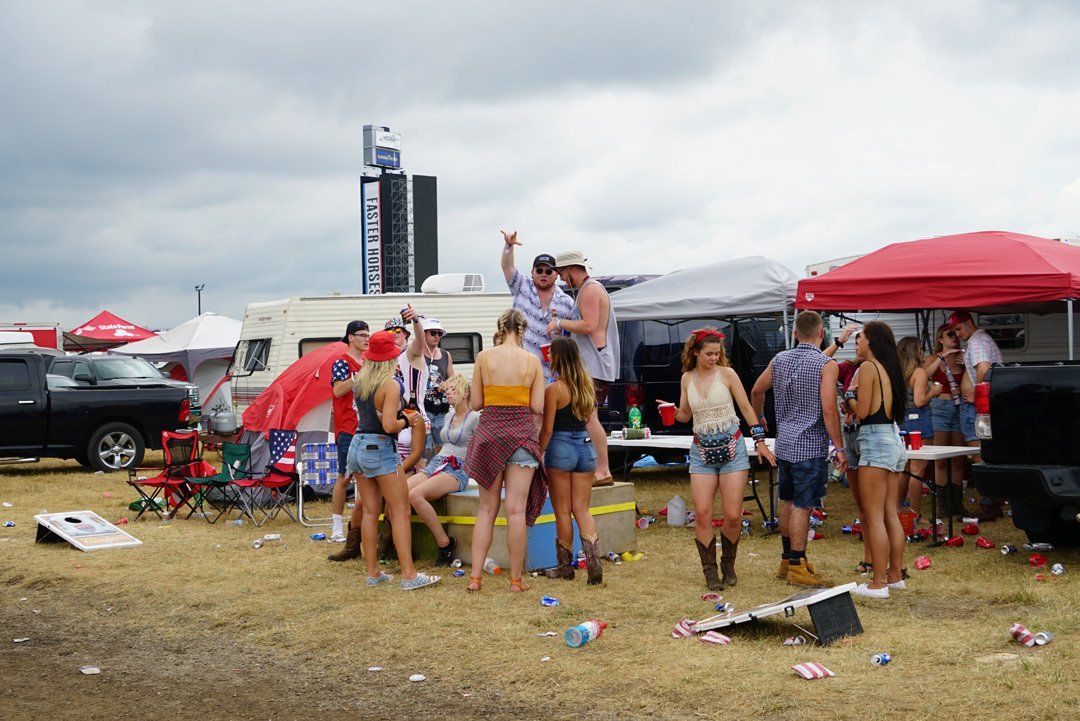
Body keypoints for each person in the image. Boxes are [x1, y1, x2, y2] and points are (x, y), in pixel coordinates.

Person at [660, 328, 776, 591]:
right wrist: (672, 412)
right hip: (701, 451)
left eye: (717, 353)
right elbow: (686, 415)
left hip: (732, 447)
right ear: (696, 352)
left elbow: (746, 408)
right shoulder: (687, 378)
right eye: (709, 354)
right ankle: (710, 572)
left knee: (733, 515)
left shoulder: (727, 374)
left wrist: (759, 441)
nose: (714, 358)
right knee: (702, 514)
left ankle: (728, 565)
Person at [751, 311, 845, 588]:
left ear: (794, 333)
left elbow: (757, 390)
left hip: (786, 442)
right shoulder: (826, 364)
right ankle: (797, 564)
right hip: (810, 444)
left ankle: (786, 560)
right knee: (804, 506)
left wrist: (760, 419)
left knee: (789, 502)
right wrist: (838, 446)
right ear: (821, 334)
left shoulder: (780, 359)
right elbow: (829, 408)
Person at [346, 330, 439, 590]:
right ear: (392, 356)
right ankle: (409, 575)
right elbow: (389, 425)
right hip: (381, 448)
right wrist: (407, 420)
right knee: (400, 512)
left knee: (369, 511)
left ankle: (373, 572)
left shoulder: (361, 380)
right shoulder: (390, 384)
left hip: (358, 446)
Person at [464, 309, 547, 593]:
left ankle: (475, 578)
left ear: (500, 328)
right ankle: (515, 580)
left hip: (489, 436)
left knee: (486, 510)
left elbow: (475, 403)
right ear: (522, 330)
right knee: (515, 512)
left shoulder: (483, 358)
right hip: (522, 437)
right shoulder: (532, 361)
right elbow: (537, 407)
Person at [845, 321, 907, 599]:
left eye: (859, 339)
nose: (856, 343)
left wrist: (848, 398)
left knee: (874, 517)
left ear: (871, 341)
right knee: (891, 513)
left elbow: (865, 411)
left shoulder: (869, 367)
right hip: (893, 439)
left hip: (875, 440)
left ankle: (878, 582)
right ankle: (895, 575)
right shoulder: (890, 368)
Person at [547, 250, 619, 486]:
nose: (559, 278)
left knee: (590, 417)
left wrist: (560, 323)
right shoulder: (589, 290)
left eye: (560, 273)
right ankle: (599, 468)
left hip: (596, 364)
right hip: (595, 363)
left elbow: (590, 326)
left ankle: (603, 469)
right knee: (589, 416)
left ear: (570, 269)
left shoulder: (590, 290)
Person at [539, 338, 602, 584]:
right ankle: (594, 562)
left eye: (551, 354)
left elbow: (547, 430)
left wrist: (537, 454)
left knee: (563, 512)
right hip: (585, 448)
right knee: (582, 509)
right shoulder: (586, 385)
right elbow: (588, 421)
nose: (548, 358)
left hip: (561, 448)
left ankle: (565, 567)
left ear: (558, 358)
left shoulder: (553, 389)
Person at [406, 373, 478, 566]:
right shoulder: (448, 416)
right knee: (400, 492)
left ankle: (444, 543)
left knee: (416, 495)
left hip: (457, 468)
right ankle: (403, 546)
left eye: (453, 390)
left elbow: (482, 448)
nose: (449, 394)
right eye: (447, 391)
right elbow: (442, 445)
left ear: (465, 393)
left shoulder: (475, 418)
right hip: (437, 463)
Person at [500, 230, 575, 378]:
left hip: (551, 373)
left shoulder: (567, 302)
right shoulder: (521, 286)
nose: (543, 274)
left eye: (549, 271)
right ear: (532, 272)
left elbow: (572, 338)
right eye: (539, 270)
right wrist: (509, 246)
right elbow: (507, 267)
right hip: (518, 370)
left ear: (556, 275)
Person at [328, 320, 369, 551]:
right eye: (362, 335)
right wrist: (357, 378)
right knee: (344, 477)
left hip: (366, 428)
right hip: (347, 428)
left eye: (368, 335)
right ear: (350, 337)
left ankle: (357, 525)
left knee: (366, 479)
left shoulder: (366, 362)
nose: (366, 339)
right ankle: (336, 527)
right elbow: (337, 390)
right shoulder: (342, 363)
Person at [924, 324, 968, 515]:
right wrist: (942, 357)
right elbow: (923, 375)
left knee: (958, 459)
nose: (955, 337)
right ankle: (943, 504)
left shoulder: (961, 358)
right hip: (939, 409)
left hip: (958, 409)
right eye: (950, 334)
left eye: (956, 334)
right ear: (940, 339)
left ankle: (956, 502)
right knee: (940, 459)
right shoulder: (934, 358)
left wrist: (965, 362)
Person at [897, 336, 941, 516]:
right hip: (918, 420)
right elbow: (919, 401)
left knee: (905, 468)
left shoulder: (898, 372)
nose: (923, 352)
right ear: (915, 351)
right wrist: (933, 392)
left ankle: (898, 508)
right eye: (920, 349)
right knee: (918, 469)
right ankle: (915, 513)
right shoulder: (919, 372)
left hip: (902, 421)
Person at [403, 308, 455, 457]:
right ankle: (424, 472)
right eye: (433, 333)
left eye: (439, 334)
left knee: (441, 444)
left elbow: (453, 378)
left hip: (441, 408)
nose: (437, 336)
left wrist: (448, 384)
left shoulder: (445, 354)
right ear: (423, 333)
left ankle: (438, 470)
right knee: (422, 445)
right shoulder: (416, 353)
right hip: (421, 408)